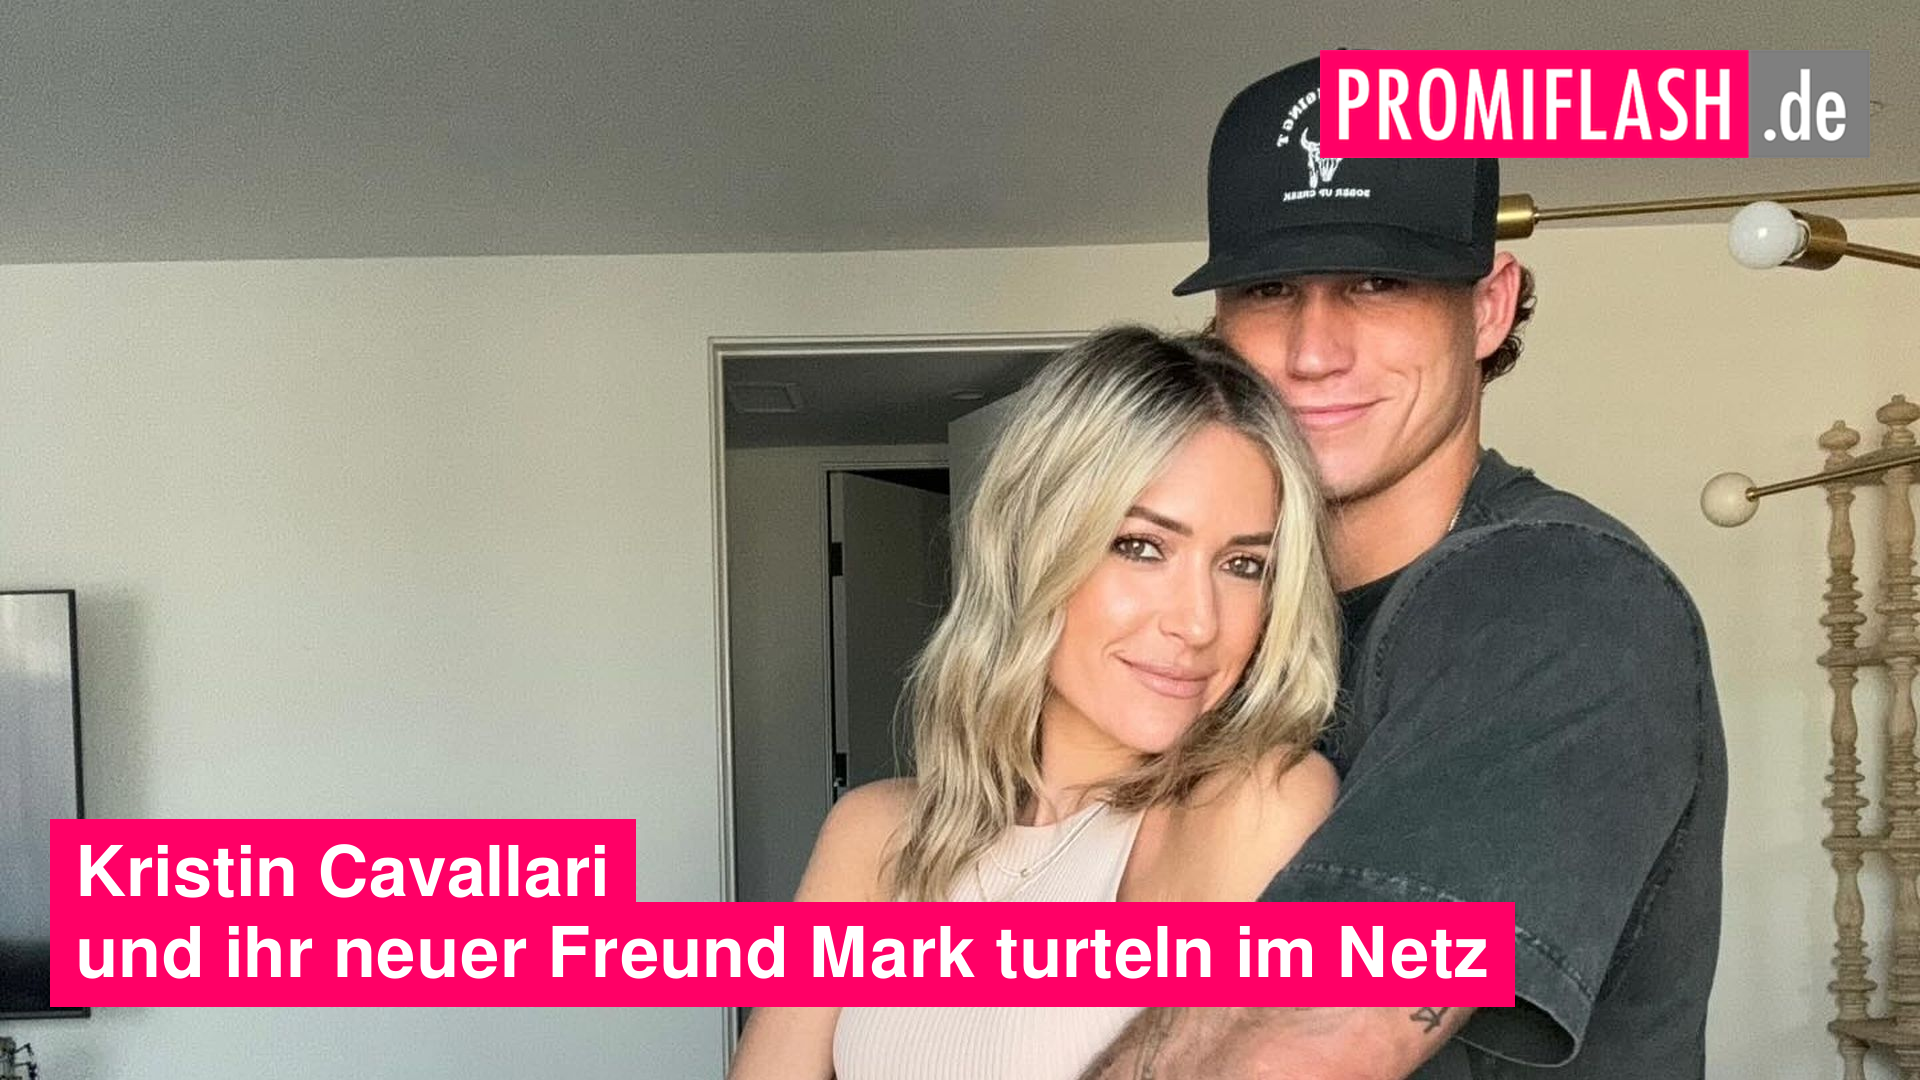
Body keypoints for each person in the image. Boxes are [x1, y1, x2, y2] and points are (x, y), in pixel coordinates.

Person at [1080, 57, 1727, 1080]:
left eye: (1378, 283)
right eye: (1270, 290)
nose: (1313, 351)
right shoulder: (1215, 634)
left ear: (1489, 307)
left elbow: (1318, 1032)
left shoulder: (1565, 593)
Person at [726, 326, 1345, 1080]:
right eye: (1141, 547)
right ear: (1032, 550)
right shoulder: (874, 833)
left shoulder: (1252, 804)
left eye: (1244, 564)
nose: (1198, 623)